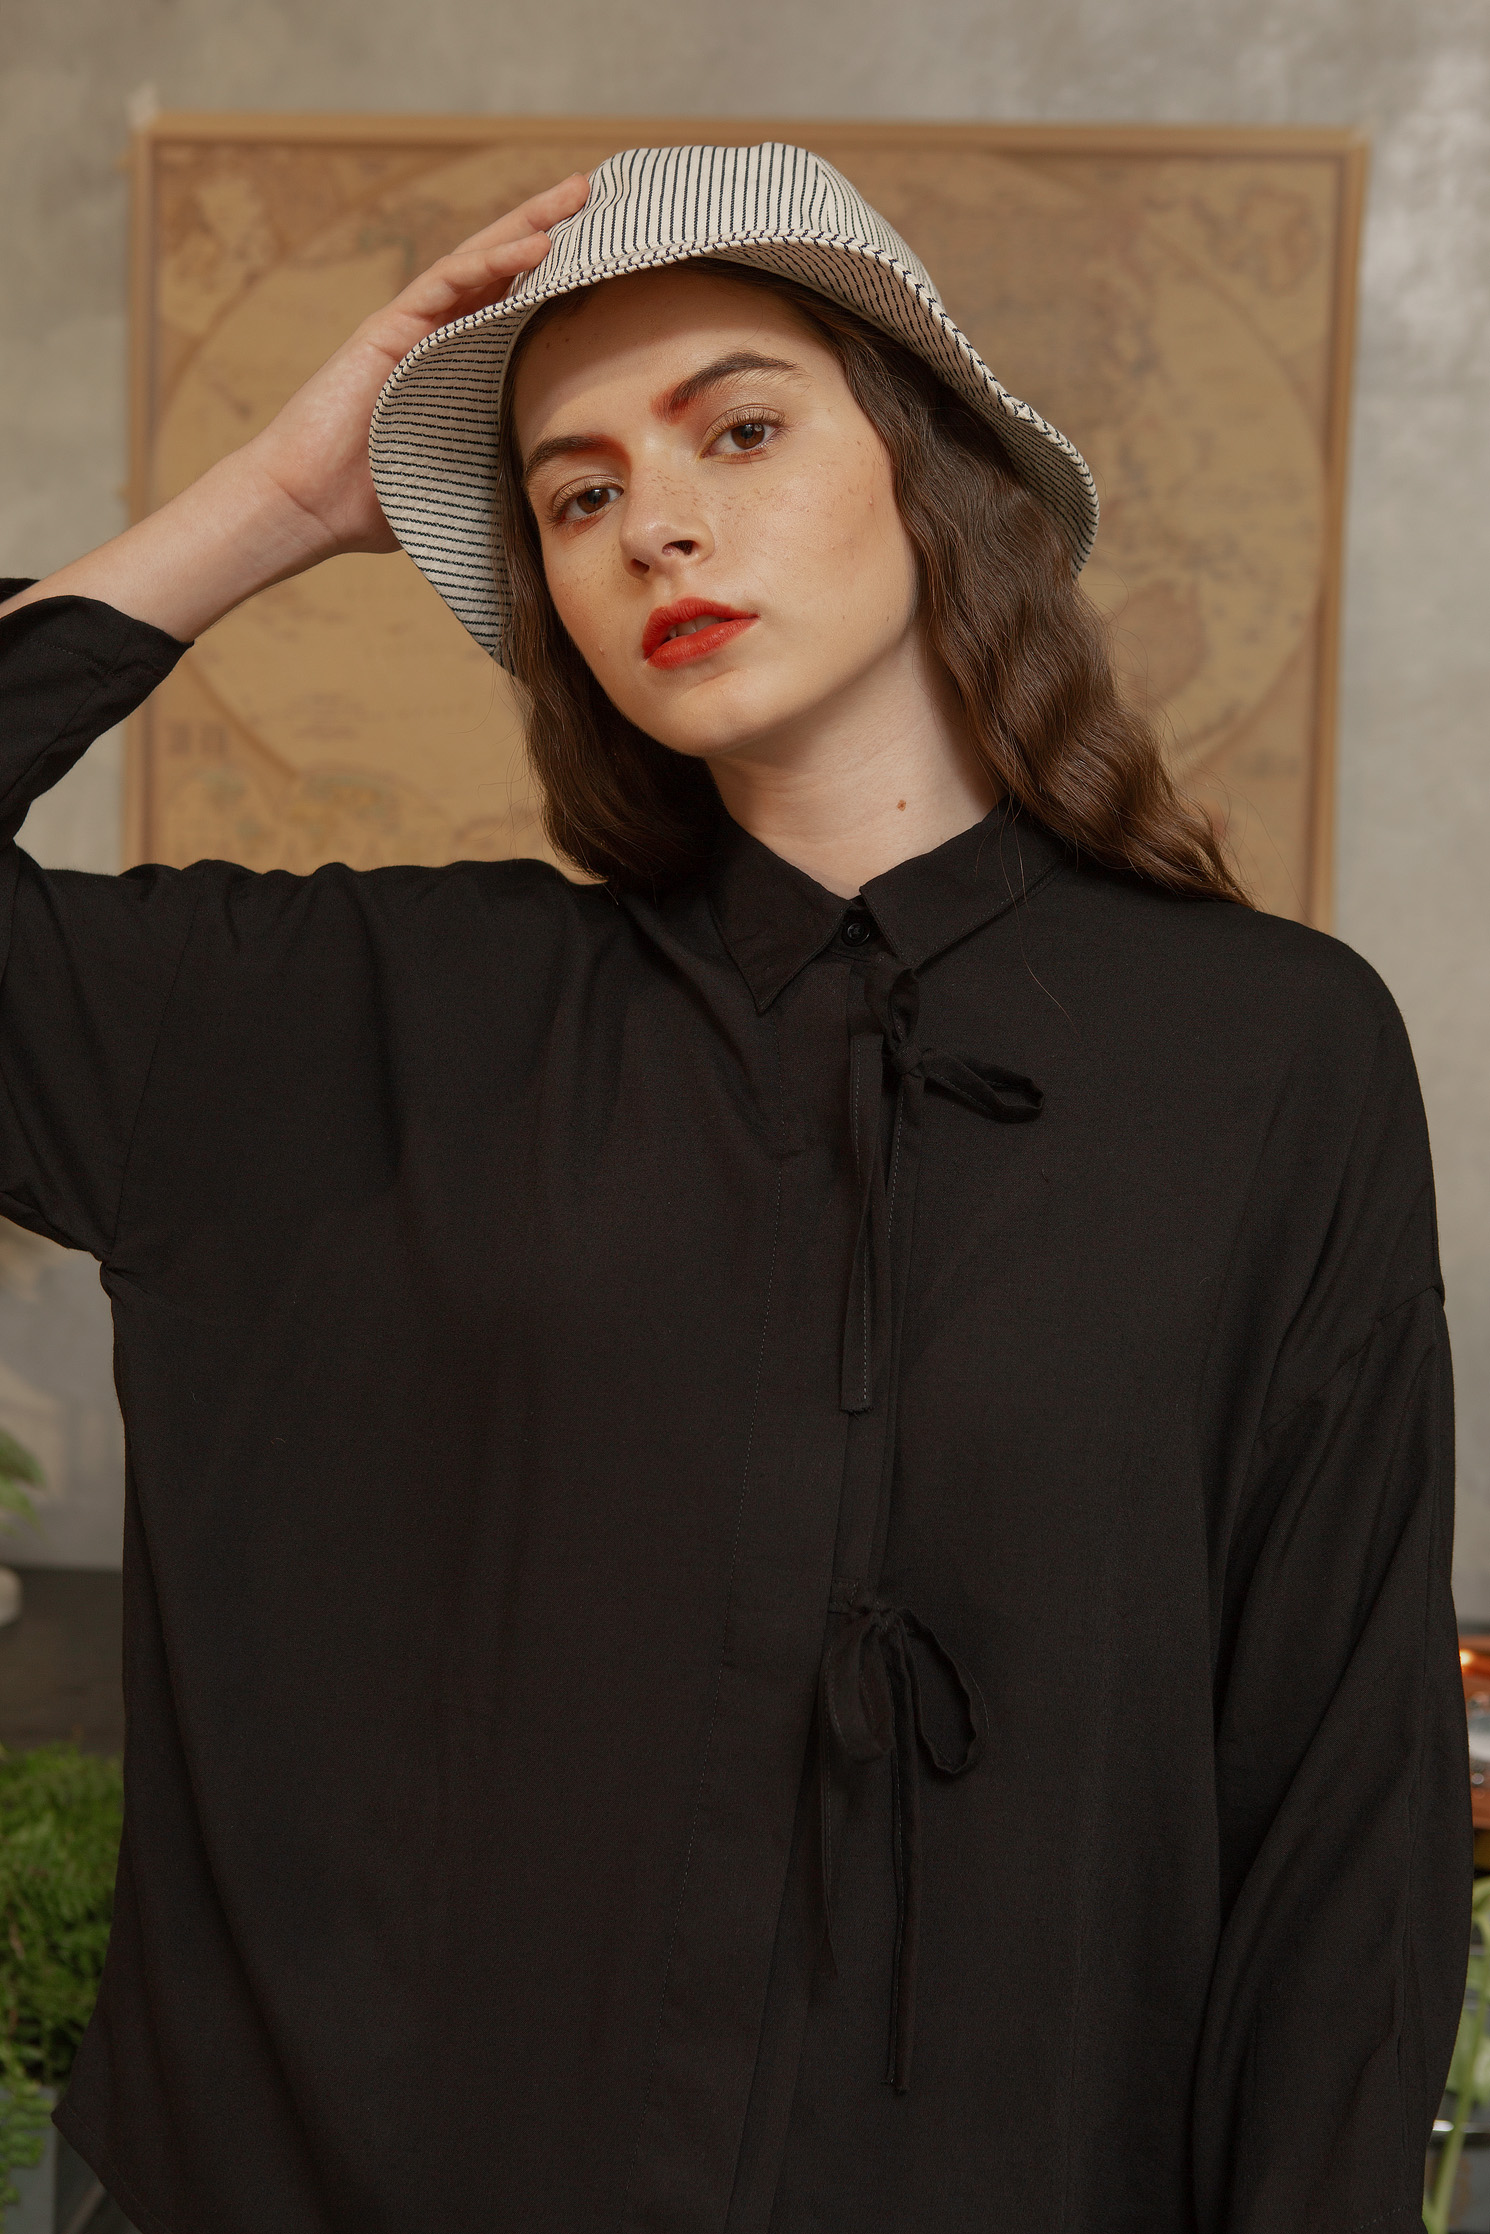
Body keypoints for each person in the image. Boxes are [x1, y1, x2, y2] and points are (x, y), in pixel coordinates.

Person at [0, 142, 1469, 2234]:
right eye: (572, 493)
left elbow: (1344, 1798)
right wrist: (278, 500)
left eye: (741, 430)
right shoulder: (369, 1017)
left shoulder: (1270, 1053)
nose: (654, 524)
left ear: (930, 474)